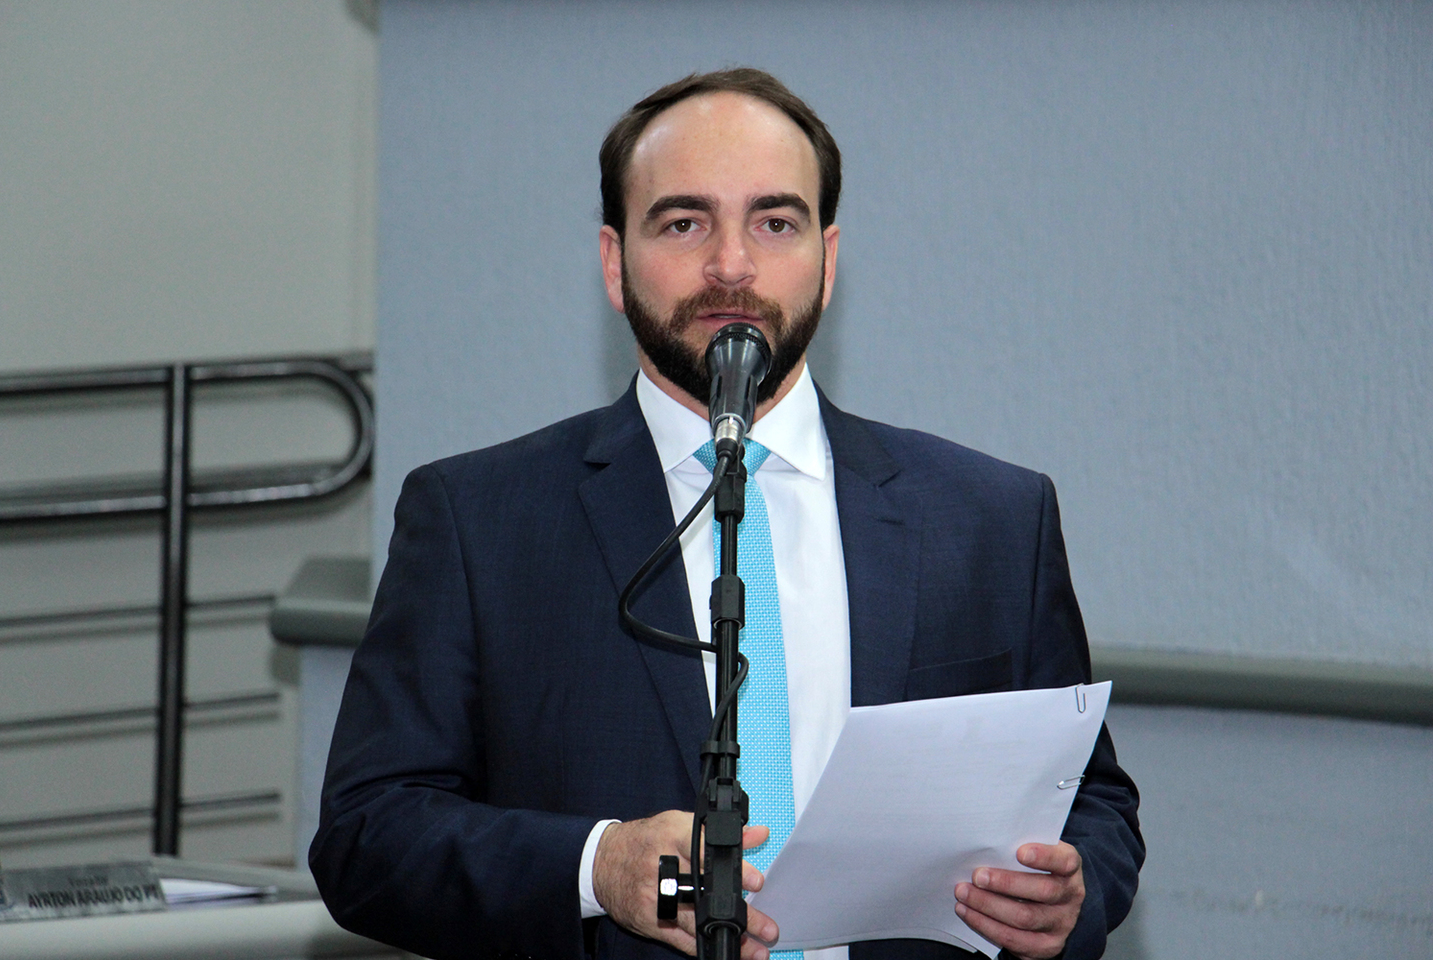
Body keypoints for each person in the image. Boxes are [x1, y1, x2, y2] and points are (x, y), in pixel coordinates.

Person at [311, 68, 1143, 960]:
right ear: (612, 261)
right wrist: (598, 867)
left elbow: (1090, 802)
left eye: (775, 222)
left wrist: (1070, 893)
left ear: (828, 261)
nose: (732, 265)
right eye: (683, 222)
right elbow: (369, 835)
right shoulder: (479, 521)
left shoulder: (990, 519)